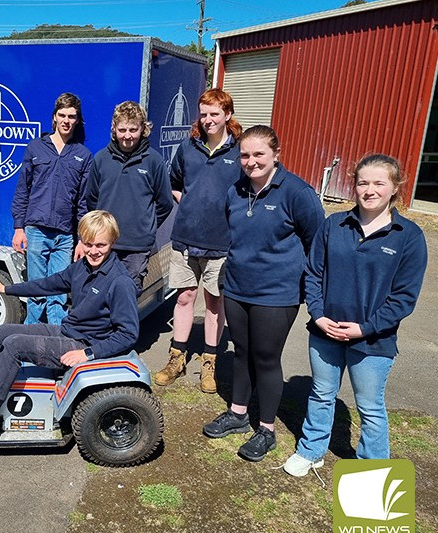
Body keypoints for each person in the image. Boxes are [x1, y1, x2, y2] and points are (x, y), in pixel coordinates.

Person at [283, 154, 427, 476]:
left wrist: (364, 328)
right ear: (354, 185)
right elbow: (313, 273)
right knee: (322, 393)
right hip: (325, 333)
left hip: (373, 341)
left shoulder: (408, 236)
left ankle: (371, 471)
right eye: (363, 182)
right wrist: (318, 315)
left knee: (371, 407)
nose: (370, 189)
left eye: (379, 183)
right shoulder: (334, 225)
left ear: (395, 187)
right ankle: (311, 450)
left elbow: (404, 297)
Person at [0, 210, 139, 441]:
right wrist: (5, 289)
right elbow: (47, 285)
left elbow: (128, 334)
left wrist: (87, 354)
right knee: (4, 332)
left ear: (112, 242)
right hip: (69, 331)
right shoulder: (83, 267)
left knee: (15, 345)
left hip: (83, 343)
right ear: (81, 240)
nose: (93, 251)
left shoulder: (119, 281)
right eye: (88, 243)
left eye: (101, 245)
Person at [202, 125, 324, 462]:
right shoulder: (236, 191)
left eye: (259, 154)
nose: (251, 161)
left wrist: (312, 289)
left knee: (266, 359)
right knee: (242, 352)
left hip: (277, 293)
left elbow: (318, 242)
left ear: (276, 155)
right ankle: (238, 413)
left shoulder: (297, 193)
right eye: (244, 154)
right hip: (238, 287)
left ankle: (266, 430)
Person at [155, 89, 243, 394]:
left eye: (214, 114)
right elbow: (175, 183)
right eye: (203, 114)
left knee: (214, 303)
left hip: (222, 243)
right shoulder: (188, 147)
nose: (208, 120)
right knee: (183, 298)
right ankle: (176, 358)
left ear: (227, 115)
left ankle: (209, 362)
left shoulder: (239, 152)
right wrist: (190, 204)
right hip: (185, 240)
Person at [11, 92, 92, 325]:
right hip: (36, 231)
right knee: (36, 293)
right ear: (54, 117)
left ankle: (57, 342)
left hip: (65, 236)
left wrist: (82, 240)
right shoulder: (36, 147)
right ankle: (27, 341)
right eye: (62, 115)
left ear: (78, 120)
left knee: (58, 295)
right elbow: (22, 190)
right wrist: (19, 227)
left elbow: (83, 202)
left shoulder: (83, 155)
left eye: (72, 116)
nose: (67, 120)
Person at [82, 101, 173, 294]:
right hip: (104, 243)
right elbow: (91, 200)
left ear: (143, 129)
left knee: (128, 297)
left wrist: (145, 225)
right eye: (122, 129)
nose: (127, 136)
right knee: (99, 294)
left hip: (137, 247)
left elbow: (164, 202)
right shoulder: (101, 159)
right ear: (114, 129)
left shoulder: (153, 160)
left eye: (133, 129)